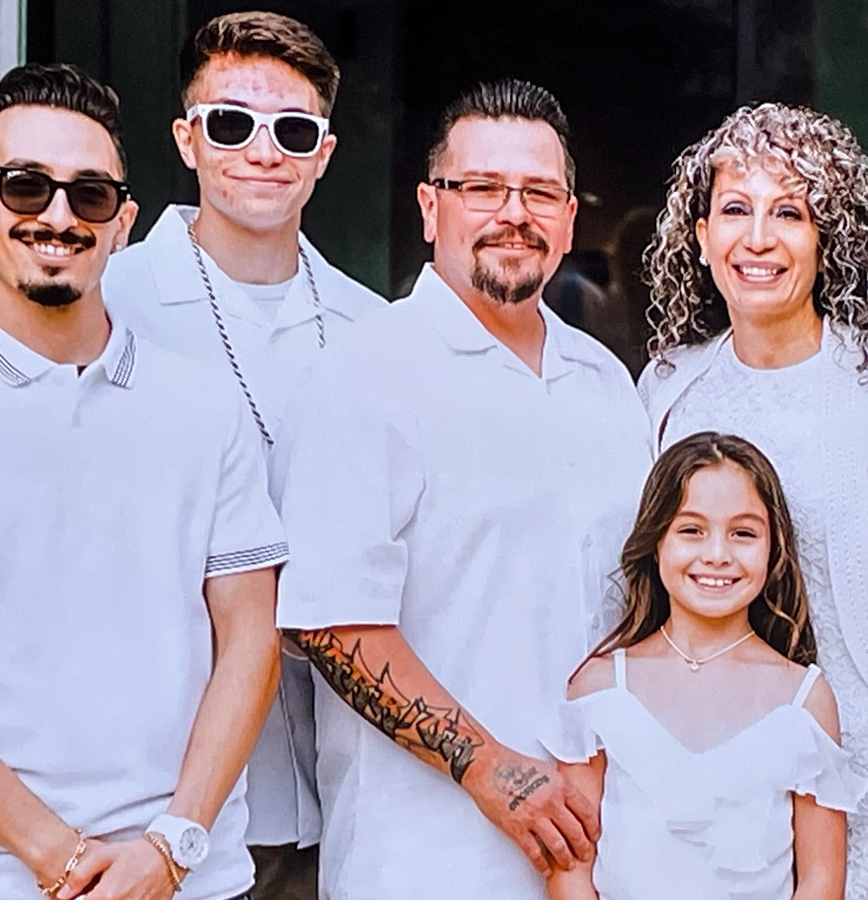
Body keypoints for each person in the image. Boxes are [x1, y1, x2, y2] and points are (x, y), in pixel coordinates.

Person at [274, 79, 651, 899]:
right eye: (482, 188)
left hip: (606, 855)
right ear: (429, 207)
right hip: (422, 859)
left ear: (568, 219)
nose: (513, 213)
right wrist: (489, 768)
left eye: (539, 192)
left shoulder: (606, 384)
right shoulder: (363, 375)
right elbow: (331, 623)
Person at [639, 102, 868, 900]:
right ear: (700, 236)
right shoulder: (668, 388)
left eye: (789, 212)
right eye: (735, 210)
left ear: (829, 237)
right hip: (714, 789)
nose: (758, 238)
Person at [102, 13, 387, 899]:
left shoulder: (374, 329)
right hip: (149, 805)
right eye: (230, 123)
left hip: (345, 799)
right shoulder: (110, 304)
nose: (262, 150)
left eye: (292, 130)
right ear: (186, 139)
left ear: (324, 155)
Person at [0, 63, 286, 900]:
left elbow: (251, 637)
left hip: (192, 875)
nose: (59, 216)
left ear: (122, 223)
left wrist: (169, 849)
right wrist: (56, 858)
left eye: (89, 195)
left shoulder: (204, 404)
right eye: (24, 187)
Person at [542, 431, 867, 900]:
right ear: (656, 541)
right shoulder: (599, 687)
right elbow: (571, 867)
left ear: (773, 548)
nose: (717, 555)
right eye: (692, 530)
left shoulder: (804, 699)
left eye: (743, 533)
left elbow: (820, 879)